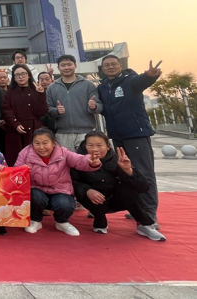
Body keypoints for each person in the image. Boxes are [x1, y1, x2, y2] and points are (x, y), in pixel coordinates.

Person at [98, 56, 163, 227]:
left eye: (114, 64)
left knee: (144, 172)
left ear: (120, 65)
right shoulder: (103, 86)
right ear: (102, 68)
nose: (110, 67)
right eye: (107, 65)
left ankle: (149, 211)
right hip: (117, 135)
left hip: (136, 134)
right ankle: (137, 207)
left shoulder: (130, 80)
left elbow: (142, 81)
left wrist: (150, 76)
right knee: (128, 173)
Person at [71, 131, 166, 241]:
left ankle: (144, 224)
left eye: (99, 145)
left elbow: (143, 187)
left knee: (129, 187)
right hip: (94, 200)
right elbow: (74, 182)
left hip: (115, 199)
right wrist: (87, 190)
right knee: (83, 190)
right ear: (85, 146)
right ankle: (99, 219)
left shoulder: (117, 160)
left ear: (108, 147)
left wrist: (128, 170)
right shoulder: (78, 161)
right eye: (90, 145)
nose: (95, 149)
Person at [15, 128, 101, 236]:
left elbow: (79, 160)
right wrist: (22, 171)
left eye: (45, 143)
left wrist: (90, 161)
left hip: (60, 189)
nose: (41, 147)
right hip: (36, 188)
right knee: (35, 197)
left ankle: (61, 222)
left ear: (53, 143)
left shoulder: (63, 152)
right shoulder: (25, 153)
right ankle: (35, 220)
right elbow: (16, 172)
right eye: (37, 143)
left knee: (64, 204)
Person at [46, 54, 102, 151]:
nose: (66, 67)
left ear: (75, 65)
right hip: (62, 134)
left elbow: (99, 106)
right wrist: (56, 111)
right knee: (66, 160)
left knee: (87, 159)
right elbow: (47, 108)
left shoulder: (88, 85)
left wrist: (94, 107)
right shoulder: (52, 87)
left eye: (69, 64)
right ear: (58, 68)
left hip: (86, 132)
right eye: (63, 65)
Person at [1, 65, 48, 167]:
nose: (21, 77)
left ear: (29, 75)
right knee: (16, 159)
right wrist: (15, 123)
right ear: (14, 77)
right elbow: (6, 110)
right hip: (15, 130)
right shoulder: (9, 93)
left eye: (23, 74)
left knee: (36, 158)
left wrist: (41, 94)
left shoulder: (36, 90)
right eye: (17, 75)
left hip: (34, 128)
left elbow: (42, 112)